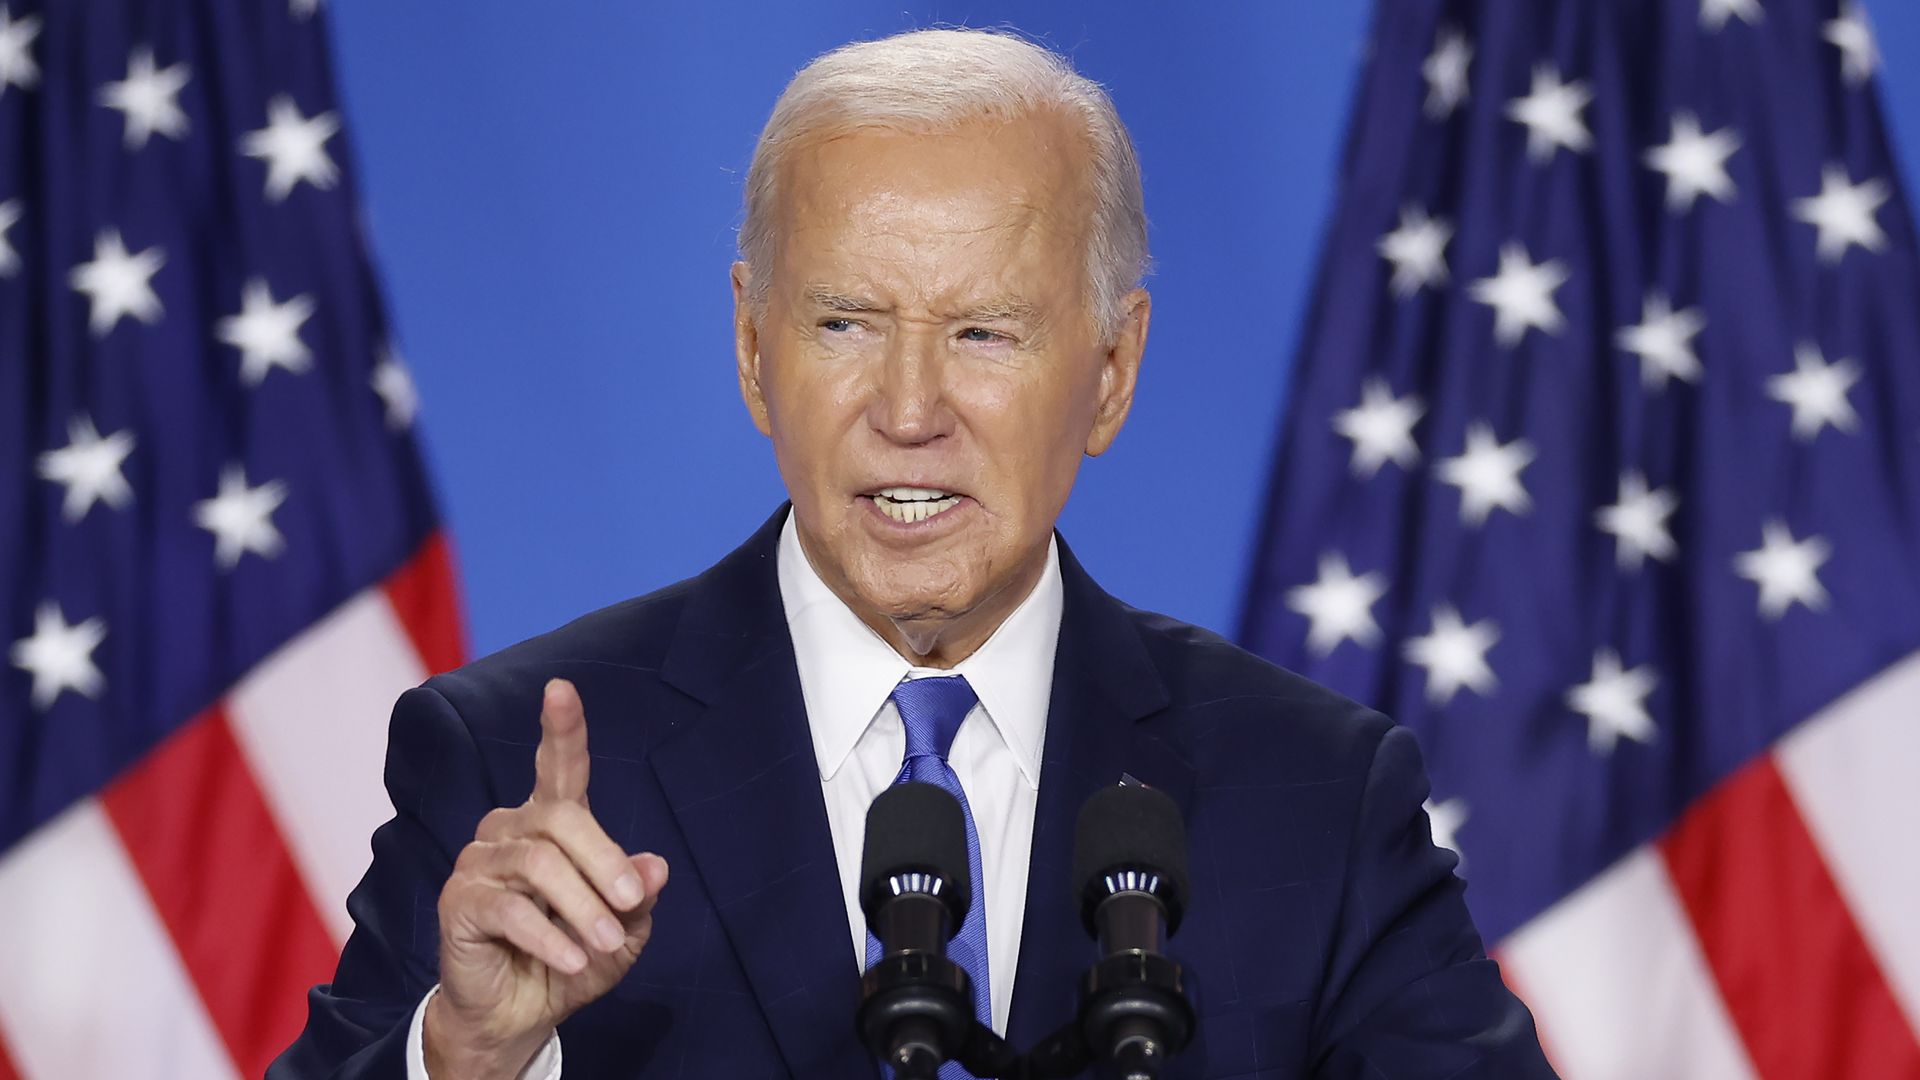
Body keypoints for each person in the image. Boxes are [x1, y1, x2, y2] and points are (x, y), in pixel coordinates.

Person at [272, 27, 1556, 1080]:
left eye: (984, 333)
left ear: (1113, 371)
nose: (908, 409)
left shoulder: (1313, 798)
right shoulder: (512, 770)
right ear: (753, 348)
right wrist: (466, 1058)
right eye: (845, 322)